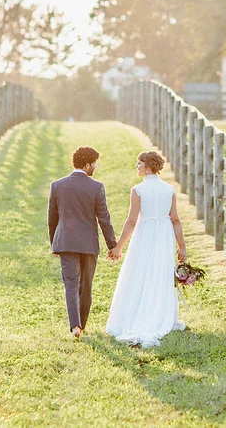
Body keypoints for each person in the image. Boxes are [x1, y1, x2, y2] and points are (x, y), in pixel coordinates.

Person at [105, 150, 187, 348]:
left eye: (139, 163)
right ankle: (159, 314)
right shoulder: (169, 189)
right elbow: (175, 220)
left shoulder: (138, 190)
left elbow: (132, 221)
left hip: (145, 234)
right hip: (164, 235)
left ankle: (137, 316)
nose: (137, 167)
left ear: (148, 166)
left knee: (139, 271)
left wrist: (119, 247)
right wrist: (182, 248)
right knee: (160, 273)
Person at [48, 146, 118, 338]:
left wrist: (54, 244)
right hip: (88, 244)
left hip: (65, 242)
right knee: (86, 286)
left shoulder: (57, 185)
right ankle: (83, 325)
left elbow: (52, 219)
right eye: (94, 163)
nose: (95, 166)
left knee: (71, 284)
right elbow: (104, 218)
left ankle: (75, 326)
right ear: (87, 165)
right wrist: (112, 245)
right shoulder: (96, 187)